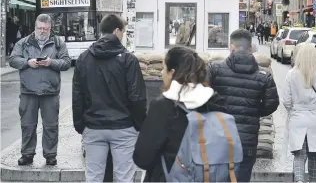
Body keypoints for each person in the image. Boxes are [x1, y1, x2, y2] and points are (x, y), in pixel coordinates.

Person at [133, 46, 228, 182]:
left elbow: (142, 158)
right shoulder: (216, 101)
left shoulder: (162, 107)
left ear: (172, 72)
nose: (161, 73)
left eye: (163, 68)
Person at [72, 14, 147, 182]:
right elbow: (137, 97)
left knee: (94, 177)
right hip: (123, 127)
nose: (123, 36)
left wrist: (80, 126)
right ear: (116, 31)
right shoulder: (128, 59)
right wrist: (138, 125)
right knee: (124, 178)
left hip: (93, 127)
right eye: (123, 32)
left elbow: (77, 96)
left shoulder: (84, 58)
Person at [207, 29, 279, 182]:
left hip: (219, 139)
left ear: (232, 47)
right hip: (246, 142)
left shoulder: (215, 70)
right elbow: (271, 104)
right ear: (251, 47)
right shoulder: (263, 76)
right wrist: (254, 111)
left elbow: (204, 96)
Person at [9, 14, 71, 166]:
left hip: (50, 92)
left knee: (51, 125)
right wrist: (27, 62)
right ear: (35, 27)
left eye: (45, 29)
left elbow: (66, 62)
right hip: (28, 92)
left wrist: (51, 62)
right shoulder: (23, 43)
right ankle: (27, 154)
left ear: (50, 28)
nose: (42, 31)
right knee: (28, 125)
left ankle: (50, 155)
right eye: (39, 28)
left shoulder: (58, 43)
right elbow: (12, 60)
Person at [282, 44, 316, 182]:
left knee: (299, 154)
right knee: (314, 154)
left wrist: (294, 109)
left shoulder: (291, 74)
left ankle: (299, 180)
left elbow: (286, 101)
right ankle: (313, 180)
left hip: (297, 118)